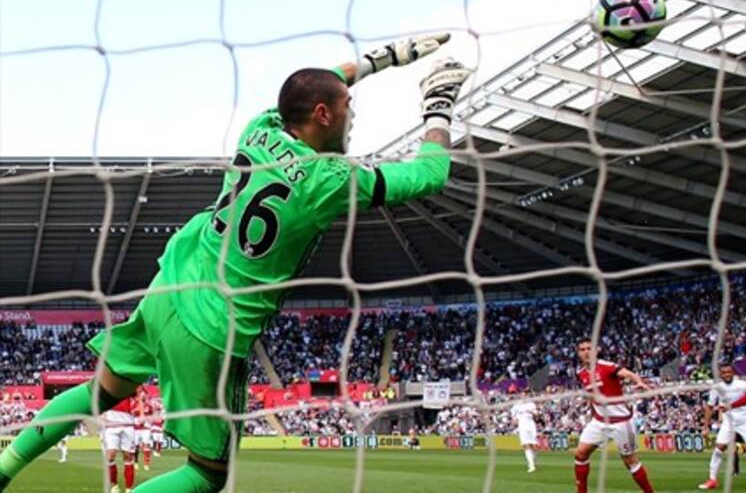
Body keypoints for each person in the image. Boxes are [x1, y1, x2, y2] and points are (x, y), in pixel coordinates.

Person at [0, 33, 469, 493]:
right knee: (208, 474)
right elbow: (430, 173)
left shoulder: (258, 129)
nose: (353, 116)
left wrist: (384, 58)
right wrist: (438, 105)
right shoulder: (325, 180)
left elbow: (315, 83)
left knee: (99, 391)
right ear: (323, 114)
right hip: (212, 326)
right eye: (348, 106)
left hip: (171, 287)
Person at [573, 338, 655, 493]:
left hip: (620, 422)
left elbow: (627, 373)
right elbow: (592, 396)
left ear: (596, 351)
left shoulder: (606, 366)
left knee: (630, 460)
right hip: (599, 421)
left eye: (589, 348)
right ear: (578, 353)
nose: (586, 352)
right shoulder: (581, 373)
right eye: (582, 349)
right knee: (580, 453)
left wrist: (638, 381)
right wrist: (592, 414)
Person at [698, 363, 746, 490]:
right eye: (724, 373)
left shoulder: (743, 385)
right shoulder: (717, 388)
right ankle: (712, 479)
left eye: (729, 372)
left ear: (733, 373)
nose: (727, 375)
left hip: (745, 421)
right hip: (728, 422)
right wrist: (705, 426)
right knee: (719, 448)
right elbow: (709, 407)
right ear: (720, 374)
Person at [102, 394, 138, 493]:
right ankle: (114, 485)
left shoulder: (130, 388)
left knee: (128, 456)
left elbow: (137, 396)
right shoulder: (108, 388)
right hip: (111, 424)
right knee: (110, 456)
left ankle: (129, 488)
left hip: (127, 424)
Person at [510, 391, 538, 473]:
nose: (523, 397)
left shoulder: (531, 404)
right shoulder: (516, 406)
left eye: (524, 395)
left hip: (531, 425)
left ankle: (533, 461)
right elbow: (513, 417)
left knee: (533, 445)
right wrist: (514, 420)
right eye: (521, 395)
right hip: (522, 426)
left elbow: (536, 415)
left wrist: (531, 412)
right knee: (526, 445)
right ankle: (532, 465)